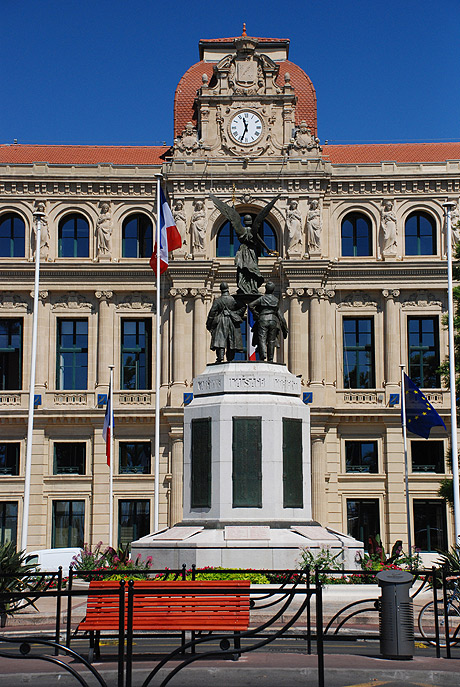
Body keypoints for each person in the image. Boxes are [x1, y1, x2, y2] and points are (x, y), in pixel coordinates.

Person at [206, 282, 245, 363]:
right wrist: (235, 313)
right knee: (231, 340)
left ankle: (220, 358)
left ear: (221, 290)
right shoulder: (233, 299)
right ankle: (230, 359)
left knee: (220, 341)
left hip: (221, 321)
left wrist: (209, 324)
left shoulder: (218, 300)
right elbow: (243, 307)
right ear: (228, 289)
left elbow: (212, 313)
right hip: (232, 322)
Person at [250, 281, 288, 362]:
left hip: (263, 319)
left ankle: (263, 356)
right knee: (271, 340)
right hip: (273, 321)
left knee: (262, 338)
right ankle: (270, 358)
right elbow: (281, 316)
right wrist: (285, 329)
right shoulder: (276, 300)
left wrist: (256, 314)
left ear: (266, 289)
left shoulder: (262, 298)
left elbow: (251, 305)